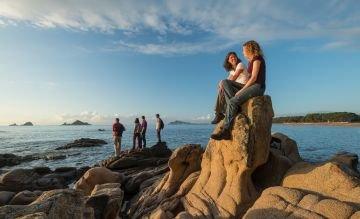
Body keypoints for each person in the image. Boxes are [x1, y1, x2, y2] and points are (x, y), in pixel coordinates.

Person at [211, 40, 266, 140]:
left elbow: (253, 78)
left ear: (250, 49)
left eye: (244, 50)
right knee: (225, 84)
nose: (243, 52)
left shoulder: (257, 59)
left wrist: (242, 90)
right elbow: (231, 79)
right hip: (251, 86)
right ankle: (227, 112)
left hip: (258, 86)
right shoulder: (250, 62)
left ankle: (226, 130)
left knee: (232, 101)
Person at [211, 51, 249, 124]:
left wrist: (223, 83)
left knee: (224, 83)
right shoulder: (232, 70)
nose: (233, 58)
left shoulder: (240, 65)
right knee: (222, 88)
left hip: (243, 87)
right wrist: (221, 84)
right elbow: (228, 79)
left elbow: (234, 77)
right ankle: (218, 113)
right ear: (228, 60)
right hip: (236, 88)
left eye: (235, 57)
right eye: (231, 57)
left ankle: (230, 108)